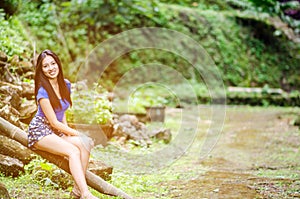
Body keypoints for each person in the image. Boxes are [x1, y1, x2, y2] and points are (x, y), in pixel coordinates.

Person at [27, 49, 98, 199]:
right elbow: (53, 121)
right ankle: (85, 193)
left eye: (53, 64)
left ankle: (77, 190)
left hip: (56, 131)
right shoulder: (42, 92)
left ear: (58, 64)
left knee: (86, 143)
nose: (51, 68)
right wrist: (76, 133)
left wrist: (68, 132)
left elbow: (62, 112)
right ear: (41, 70)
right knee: (73, 151)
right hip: (41, 130)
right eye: (45, 66)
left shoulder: (66, 84)